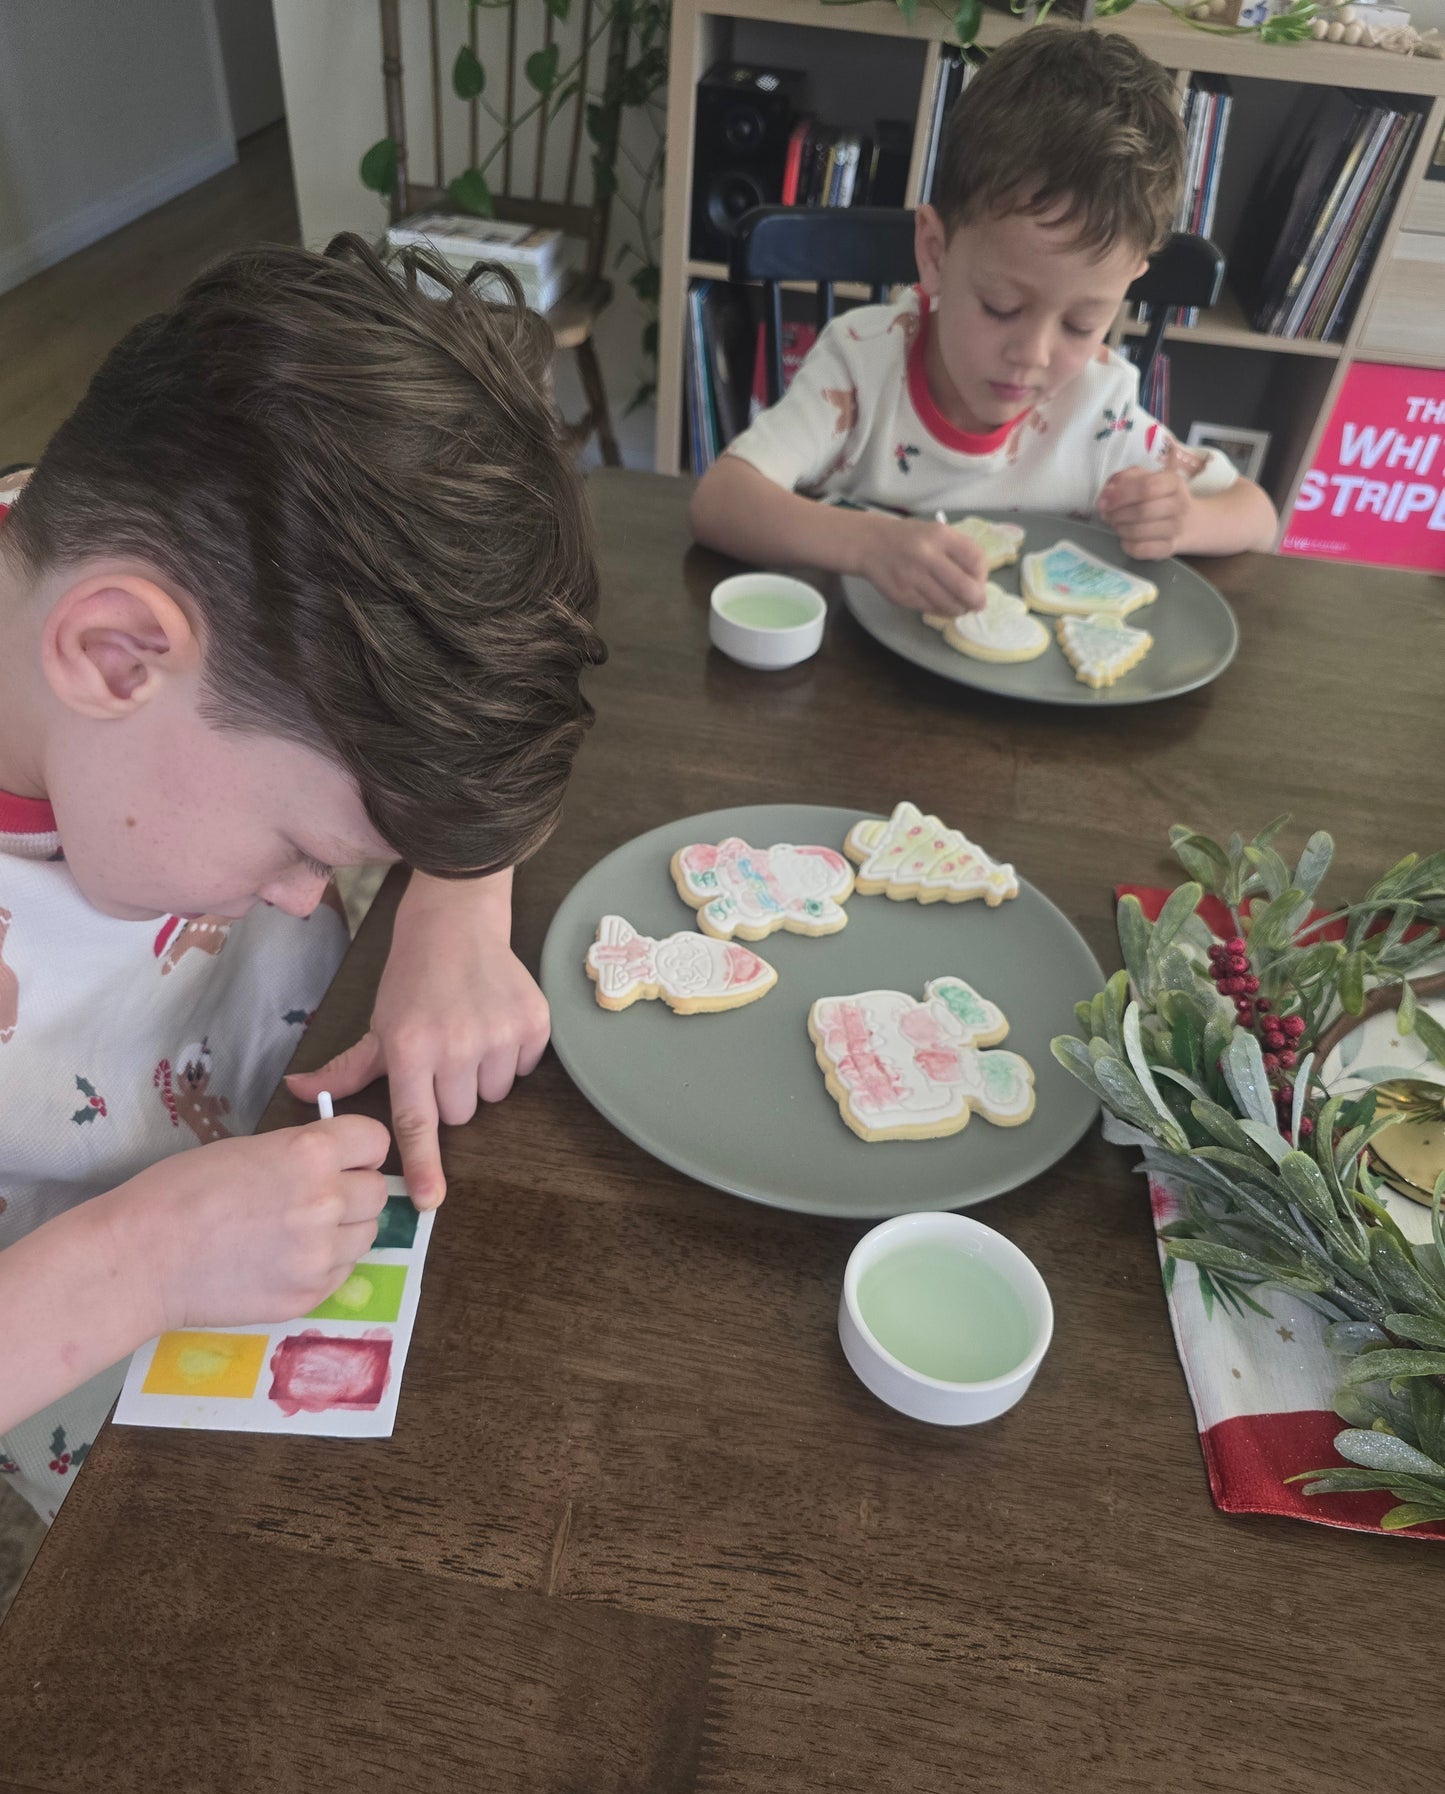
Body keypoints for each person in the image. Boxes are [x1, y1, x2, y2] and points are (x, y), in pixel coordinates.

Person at [0, 235, 604, 1517]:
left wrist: (454, 894)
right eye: (308, 854)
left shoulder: (193, 575)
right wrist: (139, 1262)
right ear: (112, 658)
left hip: (283, 1170)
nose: (303, 896)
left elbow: (427, 692)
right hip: (100, 1408)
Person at [689, 26, 1277, 618]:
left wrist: (1188, 519)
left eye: (1081, 322)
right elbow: (721, 501)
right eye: (1001, 306)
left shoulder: (1103, 410)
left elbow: (1257, 516)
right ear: (936, 253)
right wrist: (867, 546)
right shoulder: (861, 365)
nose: (1033, 354)